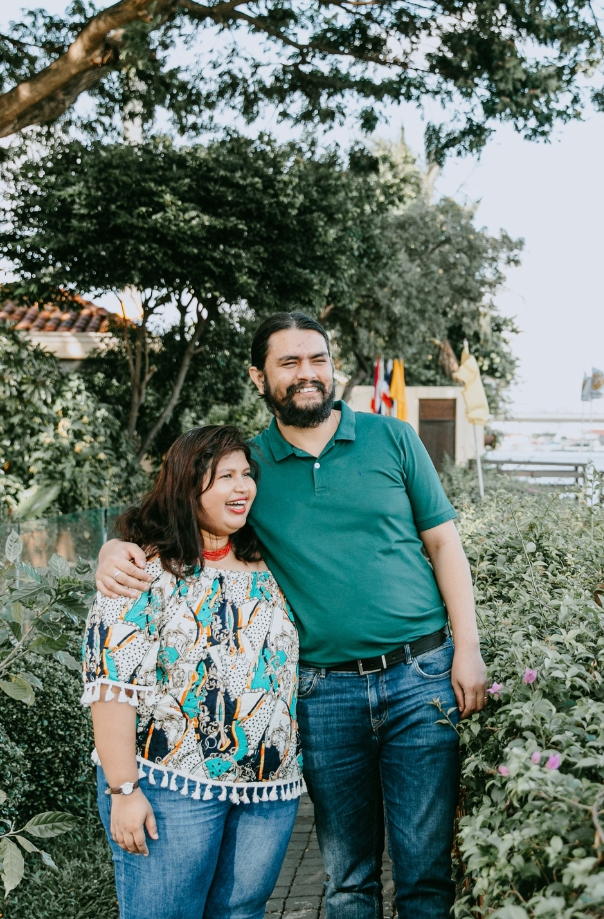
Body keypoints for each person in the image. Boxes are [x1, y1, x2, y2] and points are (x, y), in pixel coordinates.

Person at [97, 312, 488, 919]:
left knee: (426, 869)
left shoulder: (394, 438)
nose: (308, 374)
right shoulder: (246, 466)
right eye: (289, 363)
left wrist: (468, 647)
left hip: (422, 674)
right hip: (323, 693)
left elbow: (444, 544)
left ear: (333, 366)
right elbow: (177, 512)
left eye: (318, 360)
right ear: (259, 377)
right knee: (348, 876)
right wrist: (112, 549)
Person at [83, 425, 302, 919]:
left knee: (242, 913)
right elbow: (110, 687)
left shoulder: (271, 567)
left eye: (247, 474)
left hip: (268, 791)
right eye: (225, 476)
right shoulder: (141, 572)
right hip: (169, 790)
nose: (242, 487)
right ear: (186, 485)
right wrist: (124, 791)